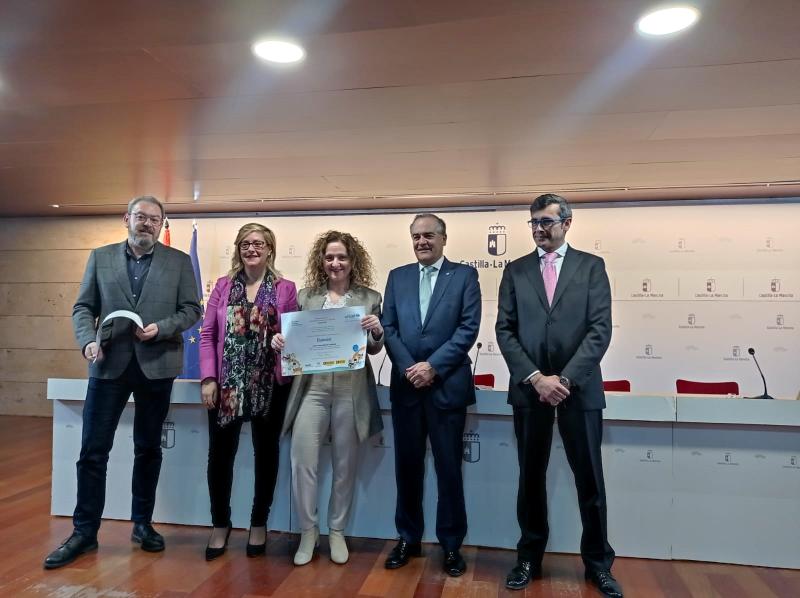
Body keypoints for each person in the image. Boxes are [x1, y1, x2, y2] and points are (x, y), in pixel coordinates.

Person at [44, 196, 202, 570]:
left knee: (148, 448)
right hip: (107, 365)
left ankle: (142, 525)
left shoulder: (179, 261)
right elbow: (83, 308)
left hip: (157, 366)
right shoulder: (100, 257)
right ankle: (84, 532)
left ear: (161, 224)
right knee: (92, 451)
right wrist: (87, 340)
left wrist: (162, 328)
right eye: (140, 216)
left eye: (154, 219)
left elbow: (192, 310)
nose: (146, 223)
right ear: (126, 219)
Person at [495, 193, 623, 597]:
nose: (539, 229)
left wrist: (564, 380)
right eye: (534, 222)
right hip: (530, 391)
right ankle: (528, 559)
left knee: (590, 481)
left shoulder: (591, 266)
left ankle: (598, 565)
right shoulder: (515, 270)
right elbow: (505, 330)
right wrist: (536, 378)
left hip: (578, 391)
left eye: (546, 222)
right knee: (530, 478)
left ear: (567, 223)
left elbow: (600, 329)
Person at [273, 230, 384, 566]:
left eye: (342, 257)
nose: (336, 263)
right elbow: (293, 341)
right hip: (312, 389)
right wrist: (279, 342)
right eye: (330, 257)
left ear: (352, 261)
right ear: (321, 261)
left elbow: (374, 348)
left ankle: (336, 531)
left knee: (345, 465)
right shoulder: (306, 297)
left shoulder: (370, 297)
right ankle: (308, 532)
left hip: (351, 389)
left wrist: (377, 330)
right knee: (302, 463)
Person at [381, 213, 481, 577]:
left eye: (429, 235)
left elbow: (468, 328)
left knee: (449, 470)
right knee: (406, 469)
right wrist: (412, 367)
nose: (422, 242)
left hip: (446, 388)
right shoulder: (398, 277)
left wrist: (432, 367)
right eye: (416, 236)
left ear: (443, 238)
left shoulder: (464, 276)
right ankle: (408, 538)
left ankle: (451, 545)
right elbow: (388, 327)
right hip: (407, 388)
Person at [199, 223, 298, 560]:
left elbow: (293, 334)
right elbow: (208, 334)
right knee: (219, 457)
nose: (251, 249)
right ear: (238, 249)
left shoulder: (286, 289)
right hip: (226, 385)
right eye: (245, 243)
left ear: (270, 249)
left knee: (266, 455)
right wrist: (208, 378)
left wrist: (285, 341)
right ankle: (220, 524)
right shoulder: (223, 286)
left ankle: (258, 523)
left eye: (258, 243)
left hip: (269, 385)